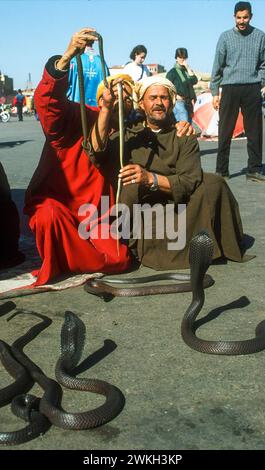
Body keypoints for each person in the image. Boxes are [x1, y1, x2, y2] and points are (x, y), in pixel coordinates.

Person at [90, 75, 250, 270]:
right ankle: (138, 245)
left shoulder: (183, 135)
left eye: (164, 98)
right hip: (145, 208)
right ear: (142, 103)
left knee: (214, 183)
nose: (159, 102)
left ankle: (209, 245)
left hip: (177, 199)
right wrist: (106, 108)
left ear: (172, 103)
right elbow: (97, 151)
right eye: (153, 98)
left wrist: (150, 178)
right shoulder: (128, 135)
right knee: (129, 188)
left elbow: (189, 181)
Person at [24, 28, 131, 286]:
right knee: (48, 217)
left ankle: (69, 257)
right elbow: (48, 102)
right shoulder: (75, 117)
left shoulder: (130, 133)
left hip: (95, 217)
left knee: (119, 258)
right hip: (59, 208)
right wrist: (67, 57)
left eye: (126, 95)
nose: (119, 97)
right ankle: (70, 256)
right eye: (115, 91)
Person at [210, 1, 265, 182]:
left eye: (245, 17)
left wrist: (260, 81)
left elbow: (264, 64)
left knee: (255, 131)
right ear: (234, 17)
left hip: (252, 88)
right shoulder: (225, 37)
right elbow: (217, 67)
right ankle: (221, 171)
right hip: (230, 88)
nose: (242, 21)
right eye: (239, 17)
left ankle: (254, 170)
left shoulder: (260, 36)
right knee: (225, 131)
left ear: (251, 17)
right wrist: (214, 92)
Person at [67, 38, 110, 107]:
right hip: (97, 108)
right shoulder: (102, 62)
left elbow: (67, 85)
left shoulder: (75, 60)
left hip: (78, 107)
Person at [166, 48, 198, 123]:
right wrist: (175, 96)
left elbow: (194, 80)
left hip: (188, 102)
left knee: (189, 124)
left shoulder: (187, 71)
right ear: (176, 58)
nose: (182, 59)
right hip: (179, 101)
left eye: (184, 57)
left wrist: (188, 68)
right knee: (184, 122)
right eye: (180, 57)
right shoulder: (172, 72)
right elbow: (167, 86)